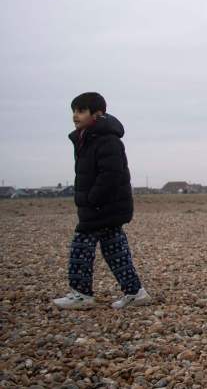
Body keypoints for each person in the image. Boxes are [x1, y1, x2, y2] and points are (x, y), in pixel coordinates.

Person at [53, 92, 151, 310]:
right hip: (106, 206)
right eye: (73, 111)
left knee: (81, 246)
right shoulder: (86, 138)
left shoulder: (106, 139)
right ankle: (135, 292)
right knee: (114, 248)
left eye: (80, 111)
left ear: (97, 114)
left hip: (102, 205)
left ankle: (81, 295)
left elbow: (111, 174)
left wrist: (91, 199)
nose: (75, 116)